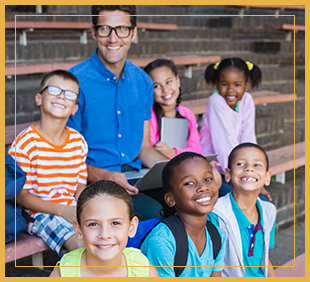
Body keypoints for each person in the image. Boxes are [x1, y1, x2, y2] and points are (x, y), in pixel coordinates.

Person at [67, 5, 168, 220]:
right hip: (95, 181)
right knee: (153, 213)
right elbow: (65, 156)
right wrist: (103, 175)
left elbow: (144, 148)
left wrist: (178, 166)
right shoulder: (74, 82)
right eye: (105, 29)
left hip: (136, 176)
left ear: (134, 33)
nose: (113, 38)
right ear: (94, 32)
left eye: (122, 29)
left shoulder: (143, 81)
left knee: (188, 197)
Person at [8, 70, 88, 256]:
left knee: (105, 235)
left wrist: (85, 203)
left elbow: (80, 184)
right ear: (39, 98)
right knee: (80, 245)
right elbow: (21, 196)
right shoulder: (25, 143)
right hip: (38, 214)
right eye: (54, 90)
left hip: (71, 208)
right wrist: (62, 210)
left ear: (74, 108)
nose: (61, 96)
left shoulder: (78, 141)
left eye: (69, 94)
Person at [49, 180, 159, 277]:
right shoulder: (63, 274)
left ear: (132, 227)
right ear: (78, 229)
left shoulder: (144, 272)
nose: (105, 235)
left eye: (115, 223)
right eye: (93, 224)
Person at [141, 152, 225, 277]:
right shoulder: (162, 242)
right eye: (189, 183)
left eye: (208, 179)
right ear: (170, 199)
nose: (203, 187)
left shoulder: (216, 235)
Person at [199, 57, 271, 201]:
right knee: (251, 199)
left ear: (246, 85)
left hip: (237, 166)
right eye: (224, 84)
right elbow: (224, 144)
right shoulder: (216, 101)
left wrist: (256, 172)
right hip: (218, 168)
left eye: (237, 84)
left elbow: (249, 137)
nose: (230, 90)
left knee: (261, 201)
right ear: (217, 84)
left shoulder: (247, 100)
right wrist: (240, 175)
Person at [208, 142, 277, 277]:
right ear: (227, 174)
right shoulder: (215, 215)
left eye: (257, 165)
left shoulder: (269, 211)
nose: (249, 169)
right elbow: (211, 268)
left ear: (268, 177)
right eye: (240, 164)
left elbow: (265, 259)